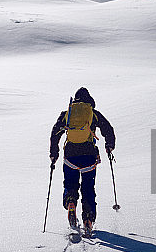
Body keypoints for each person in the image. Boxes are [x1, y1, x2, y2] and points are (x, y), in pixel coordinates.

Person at [49, 87, 115, 235]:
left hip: (70, 157)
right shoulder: (93, 113)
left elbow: (55, 133)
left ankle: (71, 202)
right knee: (88, 188)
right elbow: (108, 129)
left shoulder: (67, 114)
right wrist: (109, 145)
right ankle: (88, 218)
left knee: (70, 184)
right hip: (89, 157)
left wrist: (54, 153)